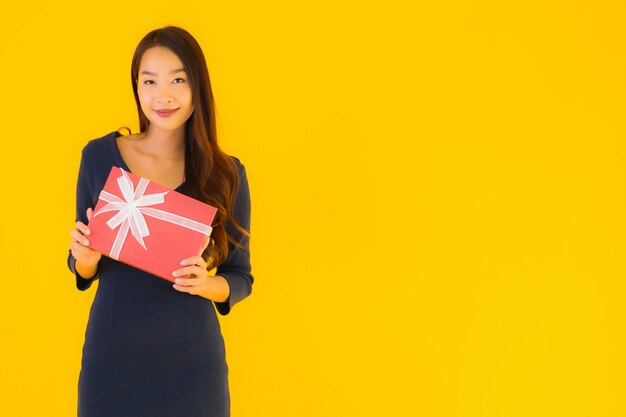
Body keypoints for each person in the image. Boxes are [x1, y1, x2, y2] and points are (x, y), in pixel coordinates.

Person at [67, 26, 254, 417]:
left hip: (193, 368)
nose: (162, 95)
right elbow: (83, 266)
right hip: (112, 360)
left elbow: (240, 278)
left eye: (178, 80)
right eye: (149, 80)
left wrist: (207, 284)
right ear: (136, 87)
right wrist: (83, 257)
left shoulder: (226, 174)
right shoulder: (100, 157)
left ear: (197, 86)